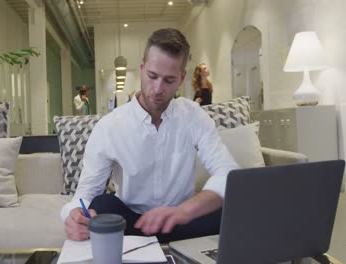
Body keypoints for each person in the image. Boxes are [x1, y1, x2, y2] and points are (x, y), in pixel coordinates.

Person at [61, 28, 238, 243]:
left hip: (181, 220)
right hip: (132, 223)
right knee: (102, 204)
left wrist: (184, 211)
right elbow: (84, 195)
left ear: (181, 79)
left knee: (235, 209)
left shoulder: (193, 116)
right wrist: (73, 217)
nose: (157, 88)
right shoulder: (109, 126)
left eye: (169, 80)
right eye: (152, 76)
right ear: (142, 68)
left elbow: (229, 174)